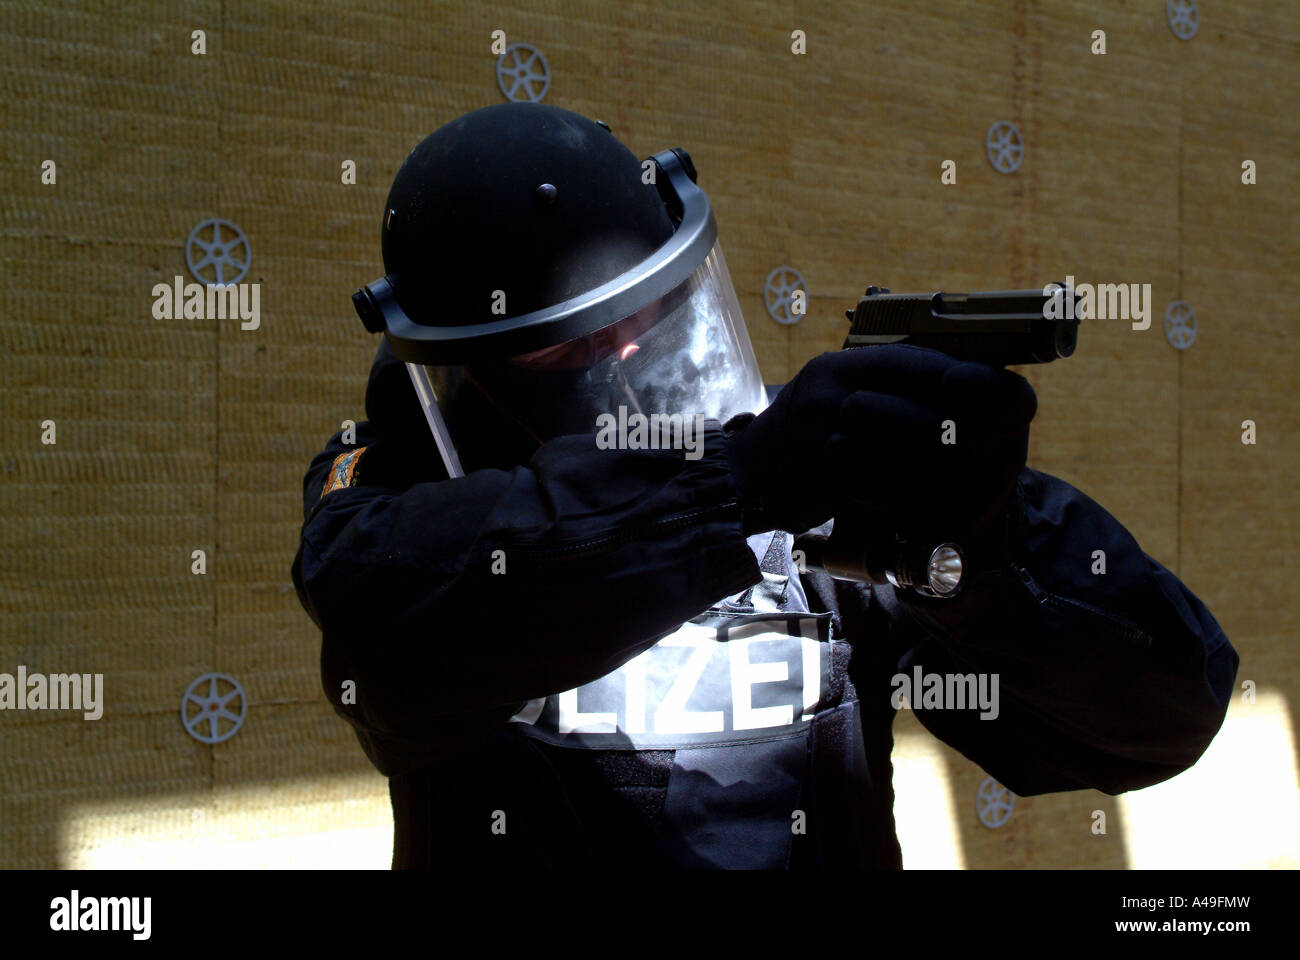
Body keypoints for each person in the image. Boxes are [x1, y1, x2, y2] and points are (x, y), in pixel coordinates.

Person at [291, 102, 1237, 869]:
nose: (626, 357)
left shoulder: (808, 460)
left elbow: (1161, 721)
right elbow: (387, 647)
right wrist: (734, 488)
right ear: (468, 367)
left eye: (654, 312)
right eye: (572, 344)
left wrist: (984, 554)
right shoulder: (387, 495)